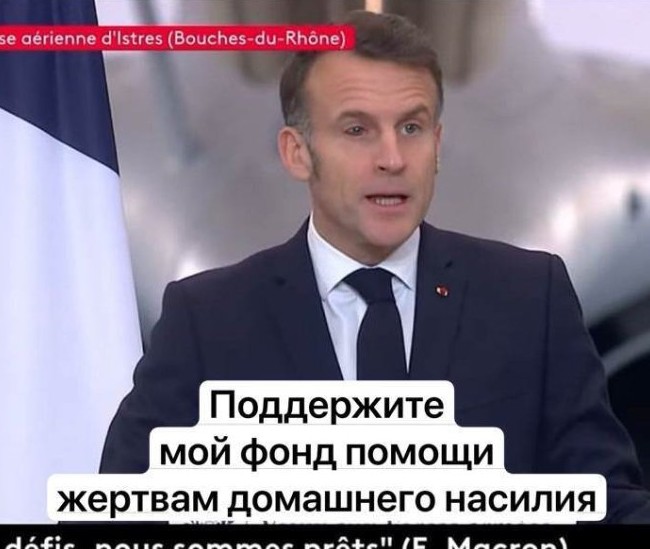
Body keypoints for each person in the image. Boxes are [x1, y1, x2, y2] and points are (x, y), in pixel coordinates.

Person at [100, 10, 650, 523]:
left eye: (411, 128)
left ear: (436, 143)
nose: (391, 160)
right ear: (297, 152)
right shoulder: (205, 314)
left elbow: (601, 496)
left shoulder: (532, 297)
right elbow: (120, 506)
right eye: (356, 130)